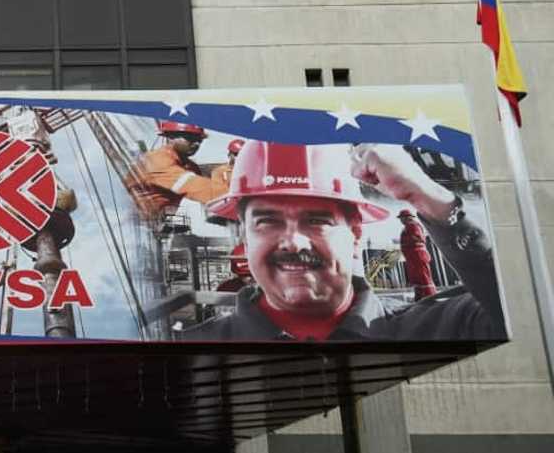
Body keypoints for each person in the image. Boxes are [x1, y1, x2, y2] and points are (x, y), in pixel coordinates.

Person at [182, 141, 504, 341]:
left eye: (317, 221)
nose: (294, 242)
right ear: (245, 235)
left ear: (356, 234)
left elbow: (522, 313)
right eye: (268, 221)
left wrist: (430, 198)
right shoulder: (188, 351)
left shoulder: (435, 329)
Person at [125, 121, 228, 219]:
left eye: (199, 140)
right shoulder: (156, 161)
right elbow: (198, 187)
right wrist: (237, 195)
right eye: (190, 138)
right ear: (170, 137)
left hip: (162, 223)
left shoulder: (190, 166)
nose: (196, 144)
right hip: (138, 227)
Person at [399, 209, 438, 301]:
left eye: (402, 218)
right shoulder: (409, 226)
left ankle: (431, 296)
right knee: (417, 278)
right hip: (413, 256)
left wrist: (407, 241)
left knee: (423, 277)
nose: (401, 220)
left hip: (417, 255)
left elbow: (418, 238)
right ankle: (419, 297)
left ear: (407, 218)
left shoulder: (412, 225)